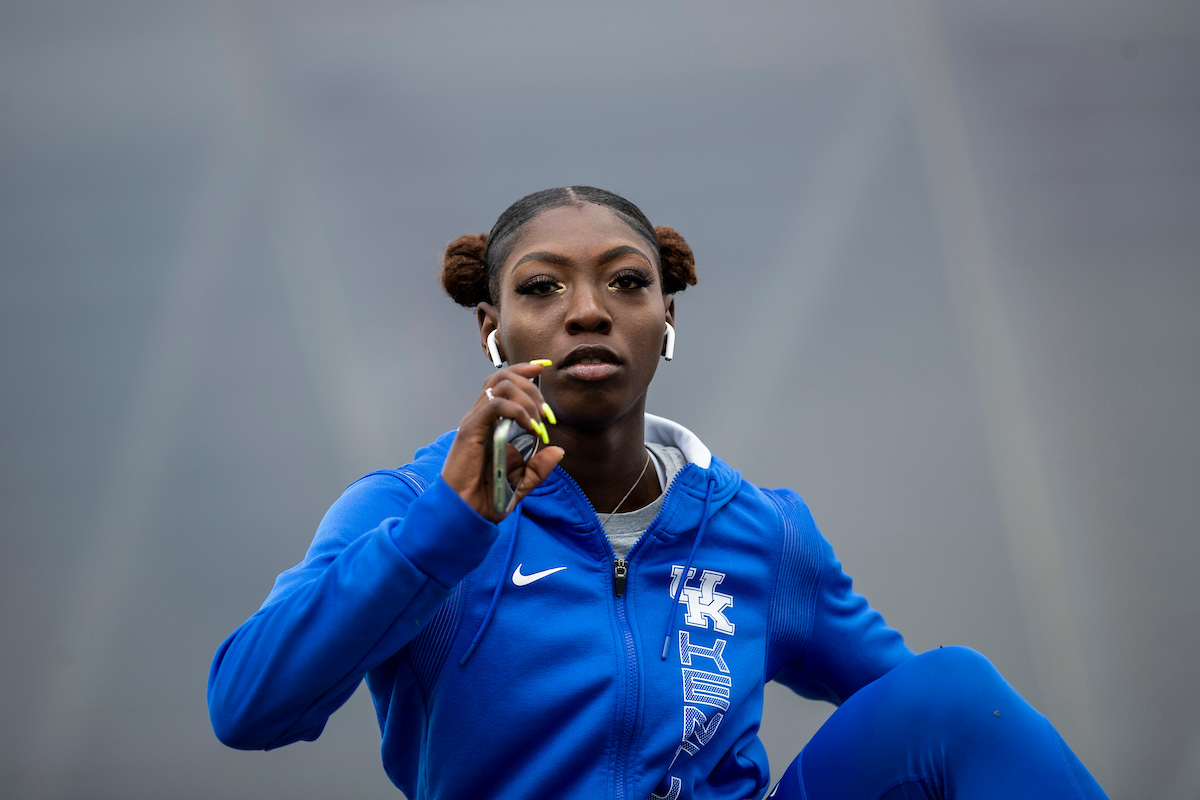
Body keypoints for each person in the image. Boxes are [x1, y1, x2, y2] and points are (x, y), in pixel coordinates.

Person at [208, 186, 1108, 799]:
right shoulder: (407, 511)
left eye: (628, 282)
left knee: (954, 692)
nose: (589, 309)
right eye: (542, 287)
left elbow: (924, 731)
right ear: (494, 330)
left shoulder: (761, 531)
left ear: (666, 319)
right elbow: (247, 708)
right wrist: (450, 528)